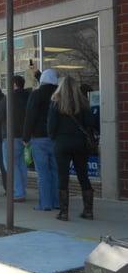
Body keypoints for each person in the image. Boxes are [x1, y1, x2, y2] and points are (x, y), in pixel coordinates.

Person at [48, 76, 95, 221]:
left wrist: (54, 138)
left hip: (62, 143)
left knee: (63, 177)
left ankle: (64, 212)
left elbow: (51, 127)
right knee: (83, 176)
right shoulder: (83, 102)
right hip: (80, 143)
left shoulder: (56, 103)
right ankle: (88, 211)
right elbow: (90, 123)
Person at [23, 68, 59, 211]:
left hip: (39, 138)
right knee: (56, 171)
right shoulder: (59, 95)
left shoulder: (36, 95)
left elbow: (30, 116)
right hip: (56, 138)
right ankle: (57, 202)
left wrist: (26, 136)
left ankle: (45, 203)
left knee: (43, 172)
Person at [0, 75, 30, 202]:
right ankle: (22, 189)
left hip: (10, 136)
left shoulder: (9, 97)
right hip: (25, 136)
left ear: (14, 84)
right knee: (21, 164)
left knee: (10, 165)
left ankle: (18, 192)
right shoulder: (29, 96)